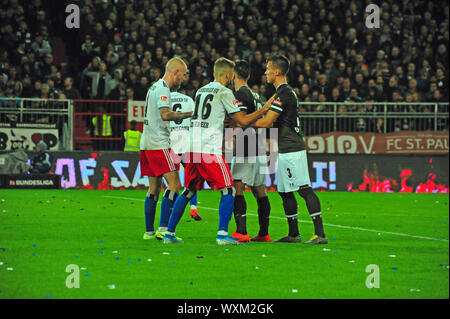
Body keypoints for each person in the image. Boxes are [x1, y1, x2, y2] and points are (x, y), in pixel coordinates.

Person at [163, 57, 274, 245]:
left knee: (188, 191)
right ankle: (222, 234)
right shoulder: (225, 92)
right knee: (229, 190)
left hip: (192, 147)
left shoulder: (201, 90)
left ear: (214, 73)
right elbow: (244, 121)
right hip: (209, 149)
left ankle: (169, 233)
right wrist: (265, 108)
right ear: (229, 75)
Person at [252, 54, 327, 244]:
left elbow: (268, 122)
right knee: (285, 191)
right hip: (285, 148)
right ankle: (293, 234)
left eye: (268, 68)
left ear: (277, 71)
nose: (266, 72)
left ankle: (320, 234)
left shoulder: (284, 93)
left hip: (292, 148)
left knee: (304, 189)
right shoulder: (283, 93)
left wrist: (244, 124)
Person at [140, 57, 193, 241]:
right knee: (175, 185)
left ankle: (149, 232)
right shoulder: (163, 89)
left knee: (153, 189)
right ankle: (163, 228)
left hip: (146, 144)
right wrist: (188, 114)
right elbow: (165, 115)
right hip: (159, 143)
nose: (183, 79)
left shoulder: (153, 87)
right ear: (176, 72)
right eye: (183, 75)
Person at [229, 60, 271, 243]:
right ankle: (264, 233)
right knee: (259, 190)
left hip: (246, 144)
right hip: (260, 143)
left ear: (233, 75)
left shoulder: (240, 94)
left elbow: (242, 120)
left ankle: (242, 232)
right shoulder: (255, 94)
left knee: (237, 187)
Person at [169, 90, 202, 221]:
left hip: (170, 142)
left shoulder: (165, 99)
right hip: (186, 142)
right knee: (192, 177)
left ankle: (170, 211)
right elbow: (195, 119)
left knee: (172, 182)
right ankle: (193, 208)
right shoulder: (188, 99)